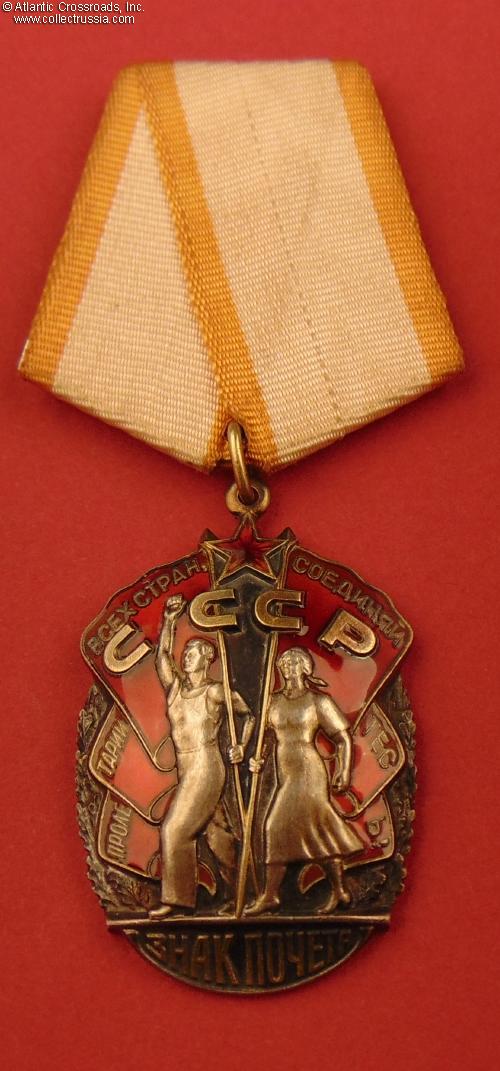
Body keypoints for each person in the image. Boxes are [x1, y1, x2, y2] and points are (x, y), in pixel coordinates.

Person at [149, 594, 253, 918]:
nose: (186, 657)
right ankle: (244, 892)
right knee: (216, 832)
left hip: (207, 765)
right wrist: (169, 620)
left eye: (192, 653)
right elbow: (161, 656)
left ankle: (178, 900)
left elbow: (250, 714)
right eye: (186, 653)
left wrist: (242, 746)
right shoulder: (176, 690)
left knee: (175, 830)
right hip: (186, 766)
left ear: (207, 659)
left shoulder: (215, 691)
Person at [245, 646, 363, 916]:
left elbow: (343, 738)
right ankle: (337, 891)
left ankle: (272, 895)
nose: (288, 668)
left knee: (278, 825)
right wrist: (257, 759)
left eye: (294, 663)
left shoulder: (317, 701)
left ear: (305, 668)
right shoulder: (272, 702)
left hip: (309, 771)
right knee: (308, 830)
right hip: (284, 771)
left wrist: (344, 771)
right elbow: (264, 739)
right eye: (285, 664)